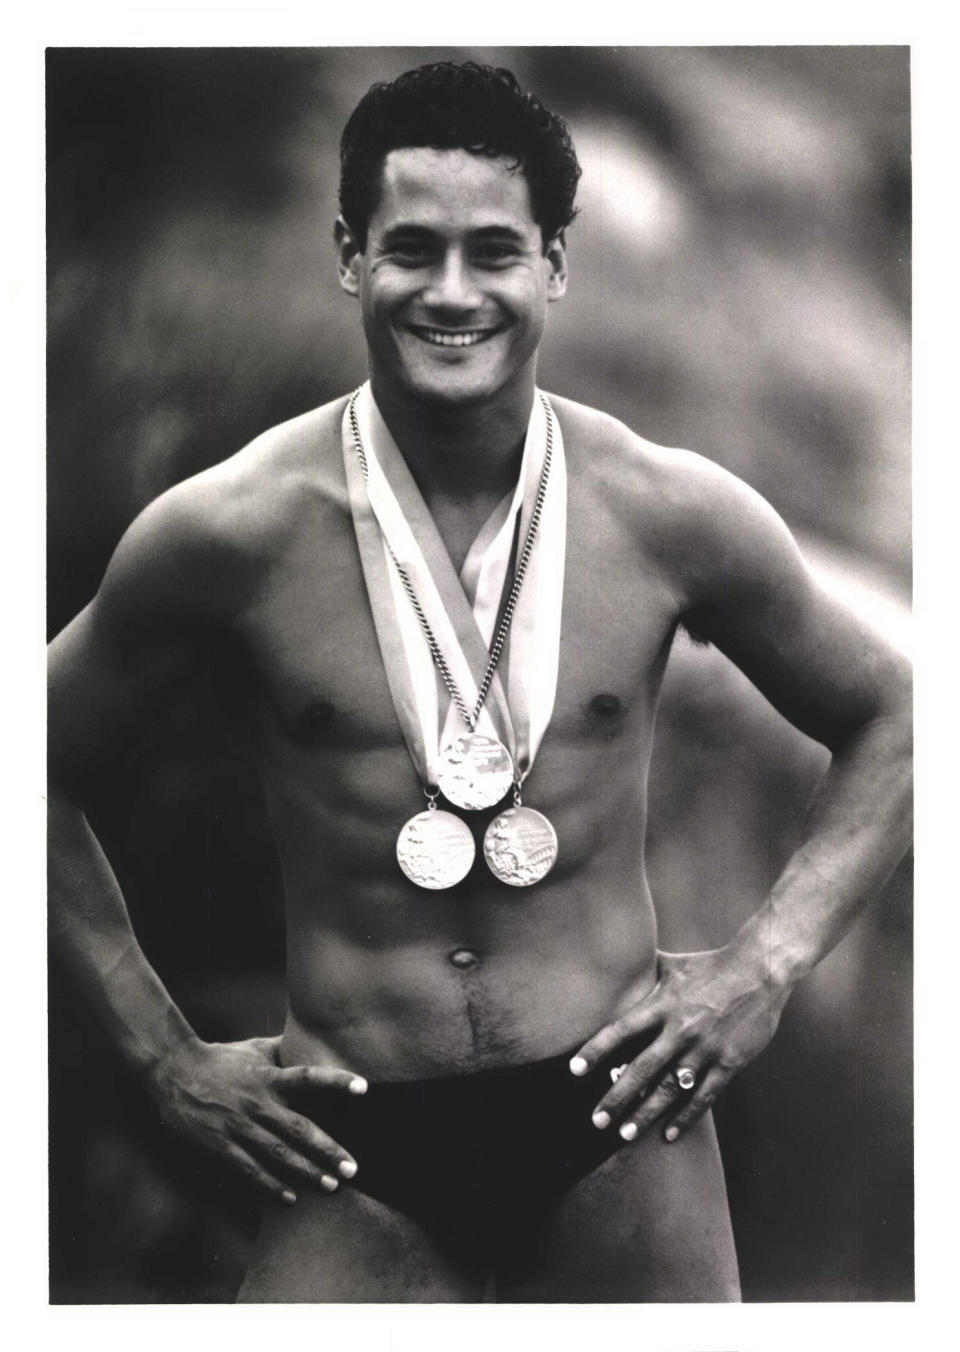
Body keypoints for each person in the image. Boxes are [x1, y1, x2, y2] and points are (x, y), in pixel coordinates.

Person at [47, 61, 912, 1303]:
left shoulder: (669, 512)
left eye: (494, 251)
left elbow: (900, 710)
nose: (453, 292)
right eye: (413, 248)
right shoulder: (232, 532)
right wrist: (160, 1054)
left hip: (621, 1122)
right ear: (352, 256)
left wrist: (763, 966)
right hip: (352, 1136)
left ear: (554, 262)